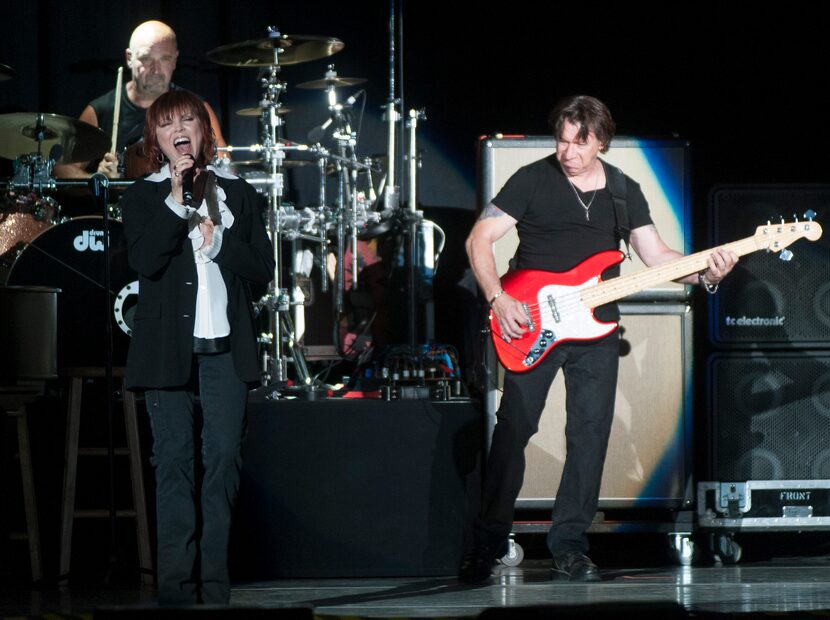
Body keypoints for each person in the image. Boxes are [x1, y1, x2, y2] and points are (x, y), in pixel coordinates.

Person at [461, 95, 738, 583]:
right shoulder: (532, 179)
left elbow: (657, 257)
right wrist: (498, 299)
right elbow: (478, 239)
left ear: (601, 144)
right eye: (562, 141)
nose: (567, 152)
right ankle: (487, 542)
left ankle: (569, 546)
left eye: (579, 144)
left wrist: (707, 274)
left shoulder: (623, 191)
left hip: (595, 329)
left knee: (589, 437)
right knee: (513, 431)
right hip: (529, 321)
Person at [120, 89, 274, 605]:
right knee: (173, 462)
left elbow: (263, 269)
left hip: (227, 348)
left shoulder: (239, 193)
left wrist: (221, 242)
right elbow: (144, 260)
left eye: (189, 120)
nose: (180, 129)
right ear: (157, 140)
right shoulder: (143, 196)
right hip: (168, 351)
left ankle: (215, 583)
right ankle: (176, 590)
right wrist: (175, 200)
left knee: (224, 457)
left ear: (204, 132)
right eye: (167, 124)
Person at [54, 20, 226, 180]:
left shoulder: (195, 108)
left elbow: (224, 163)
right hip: (122, 208)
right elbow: (62, 168)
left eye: (164, 59)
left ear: (175, 59)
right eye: (146, 59)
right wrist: (101, 182)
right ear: (130, 58)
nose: (156, 70)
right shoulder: (102, 110)